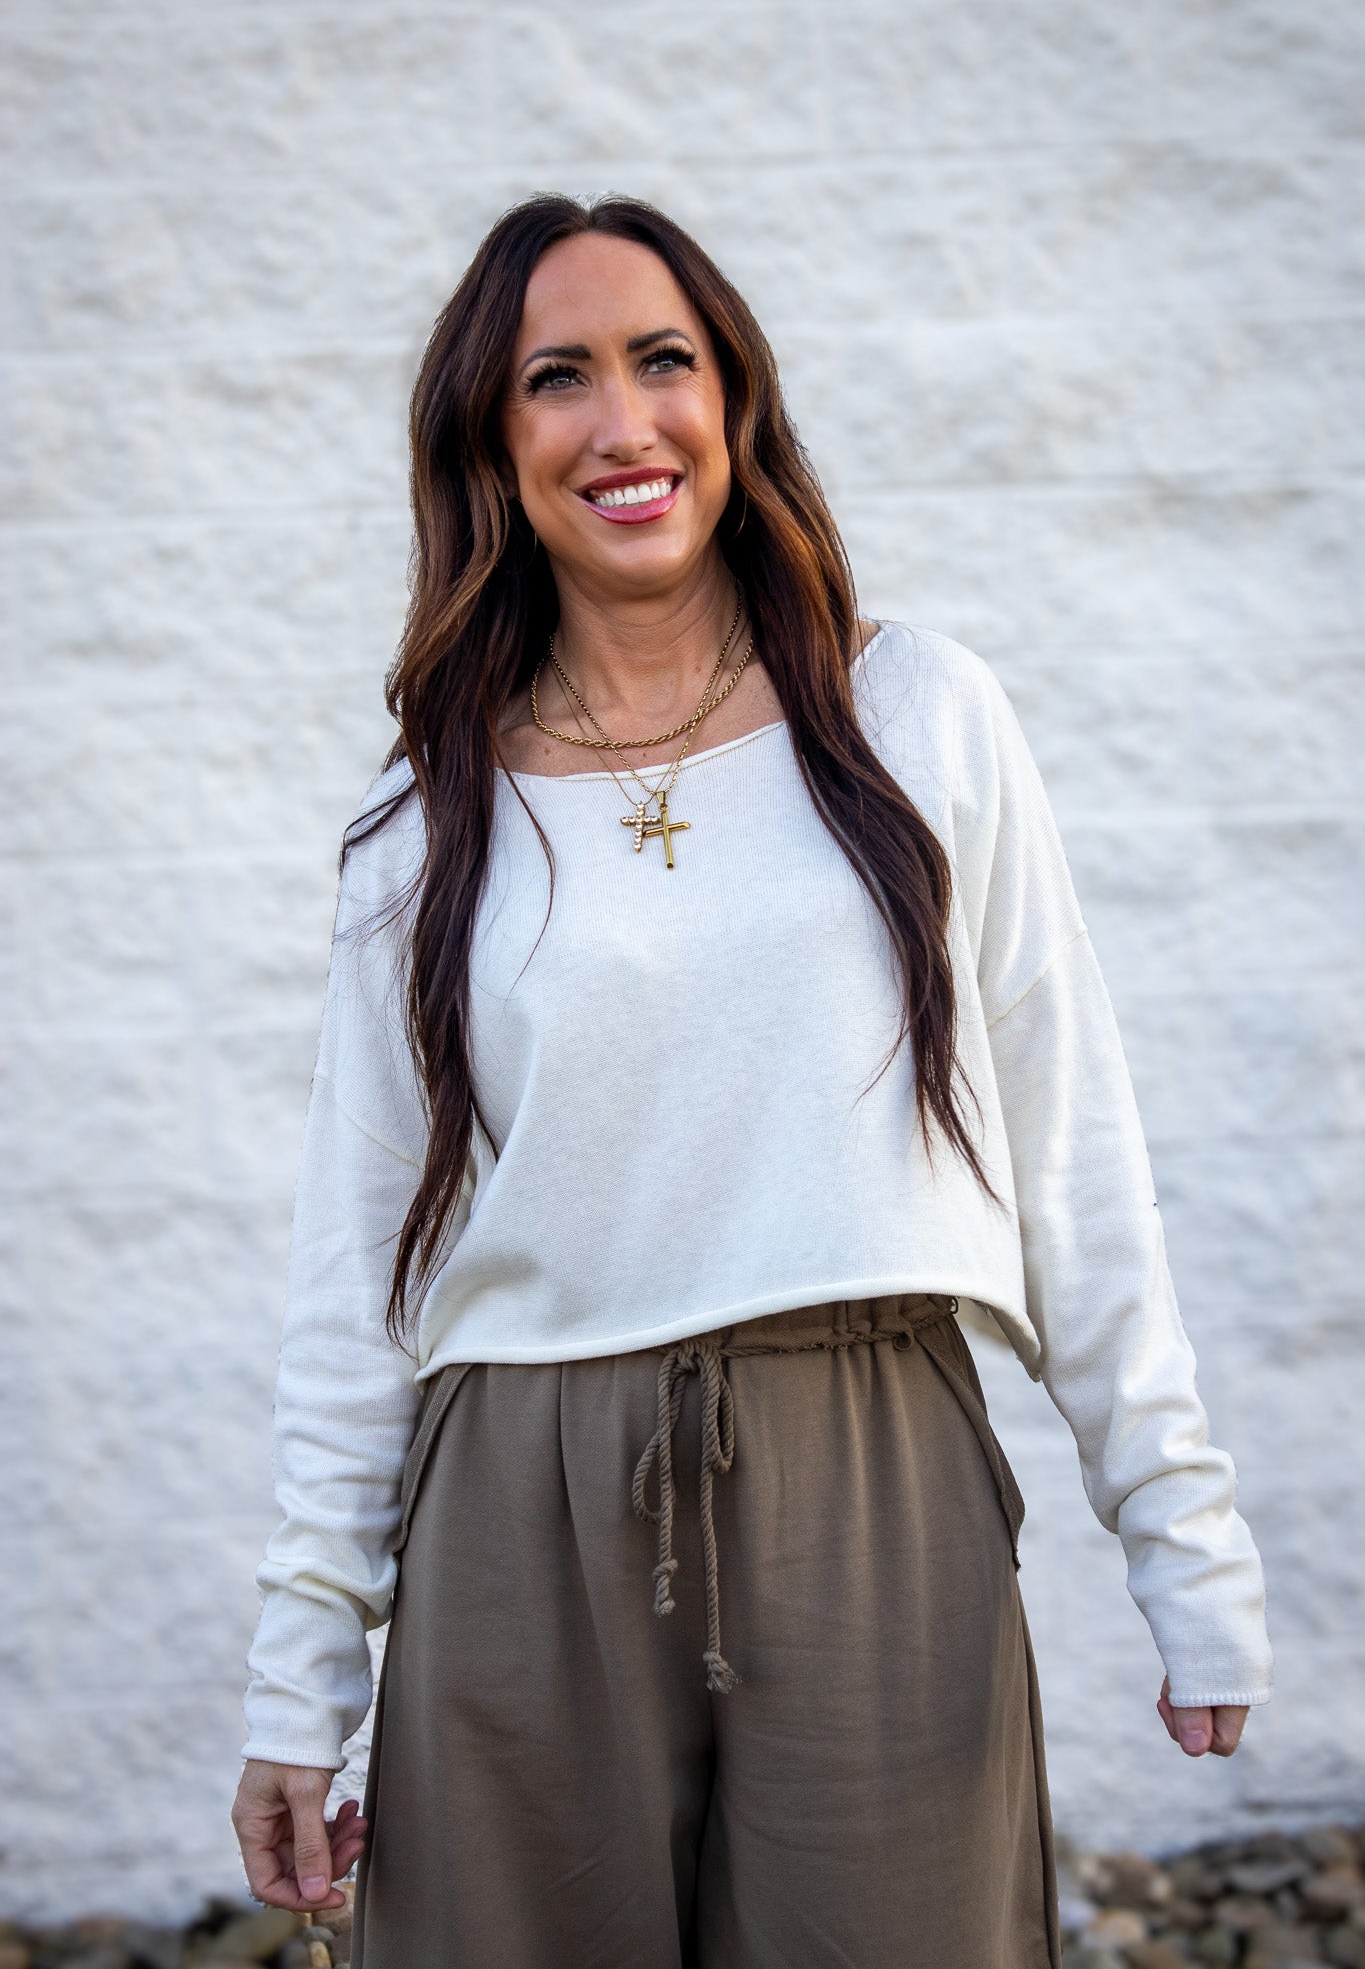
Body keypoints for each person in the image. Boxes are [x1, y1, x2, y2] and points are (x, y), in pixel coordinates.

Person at [230, 194, 1273, 1967]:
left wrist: (1180, 1536)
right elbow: (360, 1268)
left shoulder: (920, 719)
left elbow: (1069, 1129)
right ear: (492, 442)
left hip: (869, 1471)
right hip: (516, 1505)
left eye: (664, 362)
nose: (622, 423)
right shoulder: (421, 834)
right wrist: (301, 1669)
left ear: (735, 400)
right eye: (556, 378)